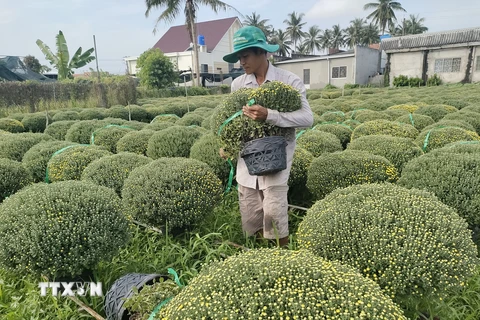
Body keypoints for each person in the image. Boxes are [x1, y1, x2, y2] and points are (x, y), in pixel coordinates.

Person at [220, 25, 314, 247]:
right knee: (251, 211)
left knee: (274, 210)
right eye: (239, 57)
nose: (241, 62)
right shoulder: (238, 84)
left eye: (245, 56)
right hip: (247, 159)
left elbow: (307, 118)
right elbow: (233, 119)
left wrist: (270, 115)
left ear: (262, 52)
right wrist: (227, 144)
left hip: (276, 157)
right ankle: (258, 253)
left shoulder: (288, 81)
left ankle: (282, 255)